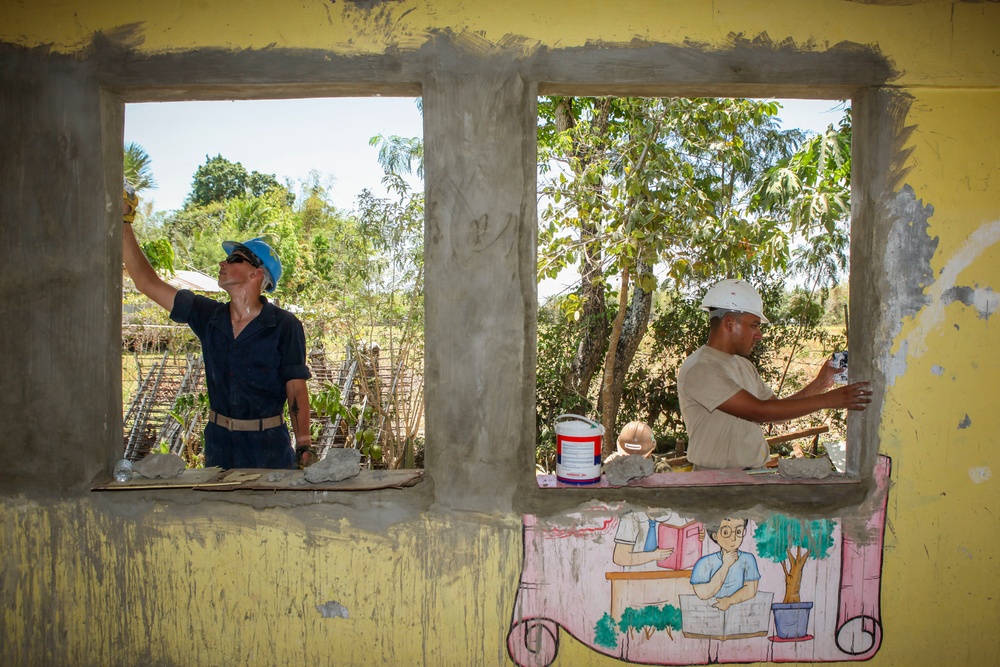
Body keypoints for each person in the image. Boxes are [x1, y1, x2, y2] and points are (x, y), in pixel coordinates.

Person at [121, 186, 314, 469]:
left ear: (257, 272)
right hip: (219, 446)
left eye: (234, 258)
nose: (223, 262)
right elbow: (147, 283)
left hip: (268, 448)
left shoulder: (284, 325)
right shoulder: (208, 315)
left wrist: (305, 444)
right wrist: (125, 223)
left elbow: (296, 388)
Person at [677, 279, 872, 470]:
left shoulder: (743, 365)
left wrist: (819, 384)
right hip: (717, 482)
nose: (759, 334)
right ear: (729, 324)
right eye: (754, 325)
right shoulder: (701, 368)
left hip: (753, 474)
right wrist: (828, 400)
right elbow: (760, 412)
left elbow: (776, 413)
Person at [690, 518, 759, 611]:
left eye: (738, 531)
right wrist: (725, 566)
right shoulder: (704, 563)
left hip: (741, 613)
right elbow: (703, 594)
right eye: (726, 532)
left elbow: (751, 590)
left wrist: (729, 601)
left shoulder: (748, 559)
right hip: (709, 613)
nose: (733, 538)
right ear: (715, 535)